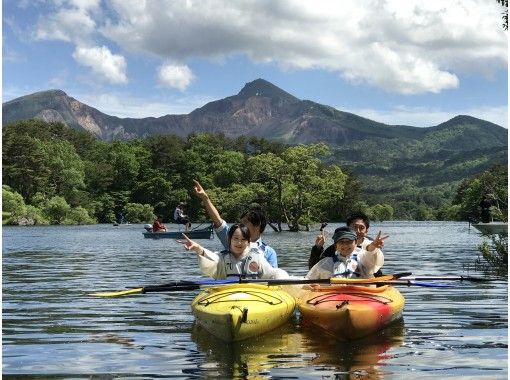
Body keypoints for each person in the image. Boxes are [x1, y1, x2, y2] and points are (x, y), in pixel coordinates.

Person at [193, 180, 278, 268]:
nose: (240, 226)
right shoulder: (232, 239)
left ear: (257, 225)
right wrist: (205, 198)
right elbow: (218, 221)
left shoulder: (268, 252)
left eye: (245, 222)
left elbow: (273, 277)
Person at [177, 223, 288, 280]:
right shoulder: (222, 257)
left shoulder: (257, 256)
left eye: (243, 239)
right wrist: (198, 249)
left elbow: (270, 273)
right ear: (229, 240)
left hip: (253, 295)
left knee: (280, 273)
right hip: (229, 294)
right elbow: (211, 258)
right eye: (235, 239)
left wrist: (280, 275)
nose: (239, 243)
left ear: (248, 242)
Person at [305, 227, 386, 280]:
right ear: (335, 246)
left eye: (349, 241)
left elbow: (371, 256)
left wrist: (373, 247)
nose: (345, 245)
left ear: (356, 243)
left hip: (361, 293)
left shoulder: (363, 257)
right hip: (334, 295)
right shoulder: (326, 262)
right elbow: (310, 279)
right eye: (341, 242)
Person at [309, 212, 376, 269]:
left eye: (361, 228)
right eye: (354, 227)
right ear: (347, 228)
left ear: (366, 231)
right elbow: (314, 269)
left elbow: (375, 269)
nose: (357, 231)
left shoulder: (372, 245)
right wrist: (318, 248)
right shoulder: (336, 247)